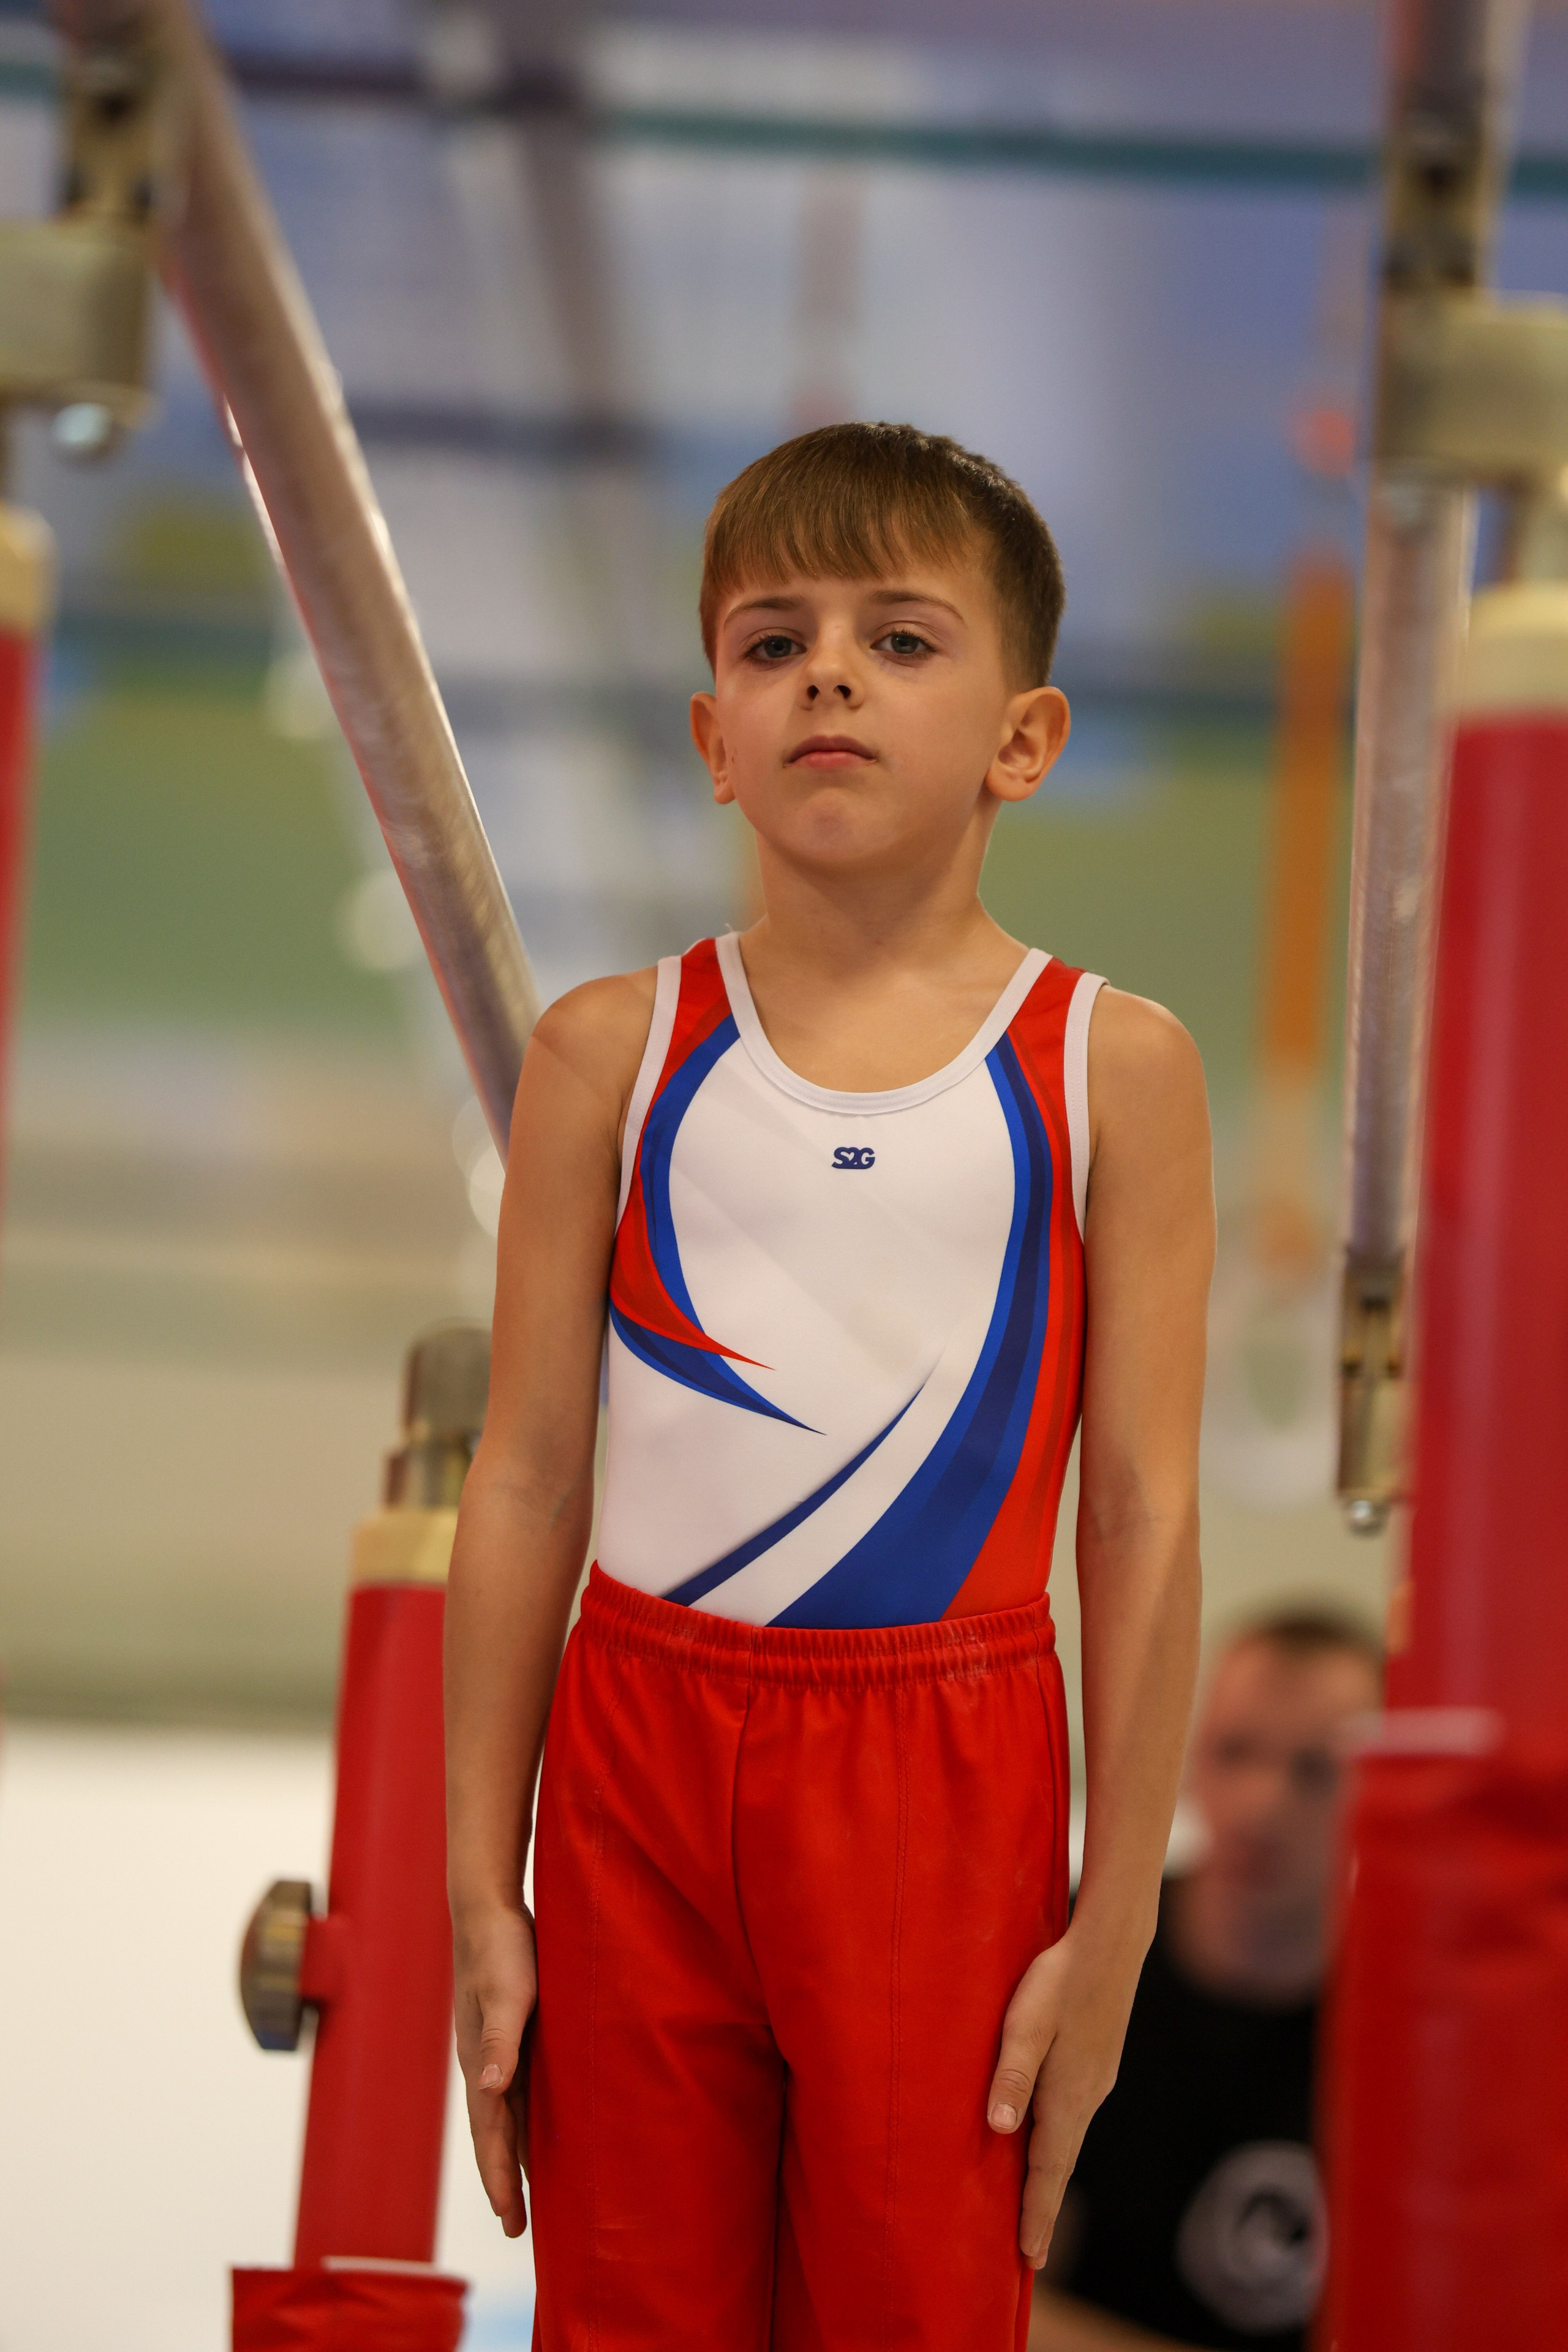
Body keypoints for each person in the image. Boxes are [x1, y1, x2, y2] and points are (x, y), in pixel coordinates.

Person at [443, 421, 1215, 2350]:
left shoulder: (1106, 1063)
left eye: (897, 636)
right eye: (774, 641)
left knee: (907, 2308)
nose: (830, 677)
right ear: (714, 734)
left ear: (1021, 738)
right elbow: (529, 1472)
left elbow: (1135, 1508)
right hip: (632, 1747)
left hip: (940, 1766)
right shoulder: (608, 1049)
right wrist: (476, 1868)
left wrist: (1112, 1911)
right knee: (627, 2307)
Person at [1031, 1608, 1383, 2352]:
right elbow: (994, 2305)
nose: (1262, 1804)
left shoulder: (1420, 2025)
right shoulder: (1074, 1958)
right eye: (1236, 1754)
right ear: (1191, 1757)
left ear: (1378, 1789)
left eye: (1314, 1771)